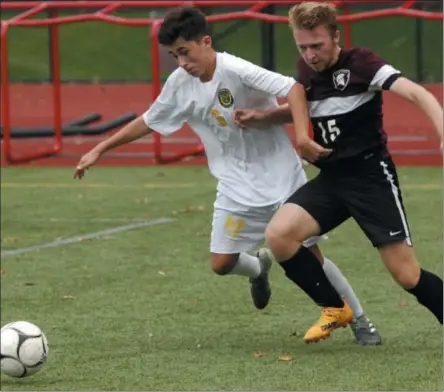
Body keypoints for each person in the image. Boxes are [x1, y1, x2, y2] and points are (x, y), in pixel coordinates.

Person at [73, 5, 382, 345]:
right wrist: (102, 147)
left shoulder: (235, 69)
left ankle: (362, 322)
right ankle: (259, 268)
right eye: (174, 55)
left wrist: (302, 136)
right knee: (221, 263)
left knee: (310, 254)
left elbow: (294, 88)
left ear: (205, 42)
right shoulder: (180, 83)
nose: (182, 63)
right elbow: (149, 119)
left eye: (185, 52)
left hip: (280, 178)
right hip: (235, 185)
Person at [234, 2, 443, 333]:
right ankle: (335, 308)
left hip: (370, 177)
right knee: (279, 235)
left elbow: (418, 94)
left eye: (317, 45)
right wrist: (263, 117)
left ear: (336, 36)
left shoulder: (361, 63)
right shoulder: (306, 71)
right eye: (303, 47)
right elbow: (308, 108)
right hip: (332, 179)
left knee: (407, 275)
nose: (310, 55)